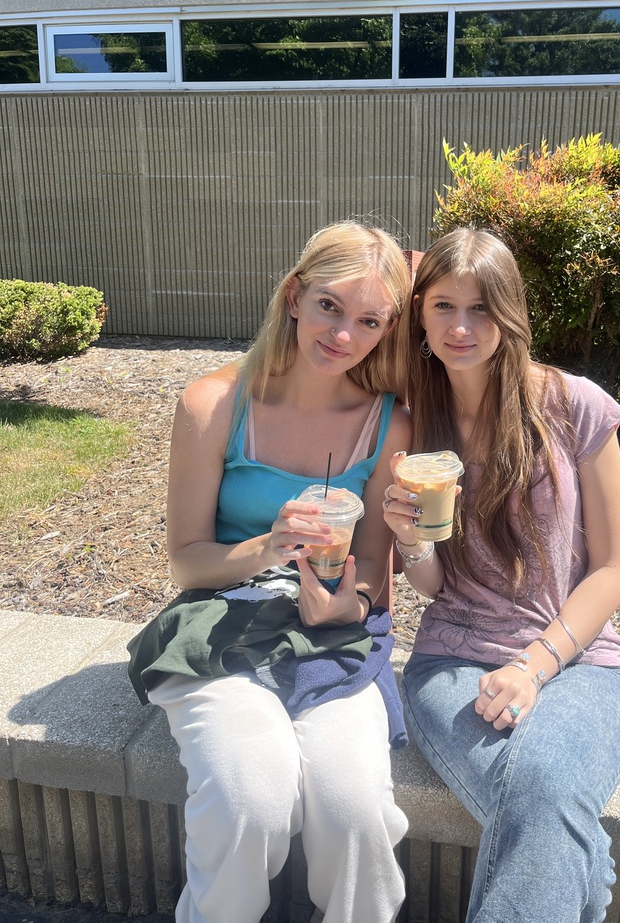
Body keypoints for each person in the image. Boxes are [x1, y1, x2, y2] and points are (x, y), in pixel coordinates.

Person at [127, 222, 412, 923]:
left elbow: (375, 562)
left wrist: (355, 601)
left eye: (369, 320)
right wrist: (267, 545)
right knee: (251, 797)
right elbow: (187, 560)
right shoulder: (213, 406)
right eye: (329, 307)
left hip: (331, 636)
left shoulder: (388, 425)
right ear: (294, 295)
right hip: (223, 625)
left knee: (355, 817)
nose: (344, 335)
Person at [383, 227, 620, 923]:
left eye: (481, 307)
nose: (461, 327)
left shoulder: (574, 405)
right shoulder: (414, 425)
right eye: (443, 306)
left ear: (511, 312)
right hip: (451, 661)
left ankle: (576, 858)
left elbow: (615, 567)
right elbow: (435, 587)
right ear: (421, 315)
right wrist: (410, 541)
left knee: (544, 783)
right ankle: (581, 861)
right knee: (548, 795)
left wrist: (534, 665)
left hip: (580, 659)